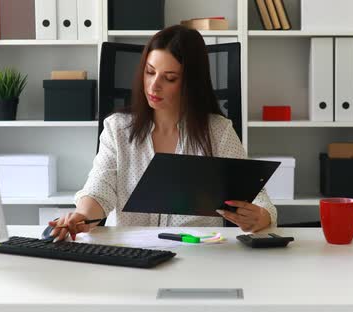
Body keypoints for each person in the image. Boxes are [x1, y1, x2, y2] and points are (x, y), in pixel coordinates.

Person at [49, 25, 277, 242]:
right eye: (149, 72)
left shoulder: (218, 132)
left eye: (169, 78)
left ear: (191, 82)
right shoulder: (117, 128)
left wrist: (261, 217)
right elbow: (100, 189)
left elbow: (259, 198)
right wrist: (83, 216)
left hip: (197, 255)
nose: (153, 86)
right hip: (132, 255)